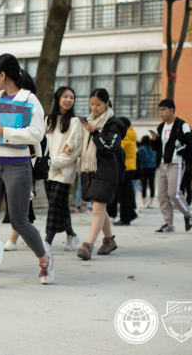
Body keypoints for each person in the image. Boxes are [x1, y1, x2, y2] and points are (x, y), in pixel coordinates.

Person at [0, 53, 54, 288]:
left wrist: (5, 132)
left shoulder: (29, 99)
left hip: (18, 166)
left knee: (20, 221)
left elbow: (37, 133)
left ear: (3, 75)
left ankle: (45, 260)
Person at [76, 88, 126, 260]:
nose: (94, 107)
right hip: (91, 170)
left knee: (97, 210)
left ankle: (88, 246)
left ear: (107, 103)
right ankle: (109, 240)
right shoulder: (90, 120)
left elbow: (108, 148)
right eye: (92, 104)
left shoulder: (114, 125)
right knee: (100, 208)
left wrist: (95, 132)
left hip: (106, 171)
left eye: (98, 104)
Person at [43, 86, 84, 250]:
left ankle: (47, 241)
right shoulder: (49, 120)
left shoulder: (75, 122)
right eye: (65, 96)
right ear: (58, 98)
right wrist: (47, 163)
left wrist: (53, 162)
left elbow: (74, 152)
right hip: (48, 171)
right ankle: (72, 235)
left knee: (54, 205)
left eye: (71, 97)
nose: (68, 100)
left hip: (65, 172)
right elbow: (44, 146)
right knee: (61, 206)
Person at [149, 99, 192, 233]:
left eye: (163, 109)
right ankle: (169, 224)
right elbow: (156, 148)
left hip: (176, 163)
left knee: (173, 193)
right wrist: (154, 139)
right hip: (162, 164)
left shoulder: (182, 125)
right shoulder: (161, 127)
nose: (161, 112)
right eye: (159, 110)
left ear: (172, 110)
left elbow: (190, 144)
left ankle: (187, 214)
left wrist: (178, 151)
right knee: (162, 196)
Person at [113, 117, 137, 226]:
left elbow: (117, 148)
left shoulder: (125, 135)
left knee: (122, 193)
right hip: (129, 167)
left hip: (125, 168)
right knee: (125, 192)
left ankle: (125, 218)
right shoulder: (130, 134)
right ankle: (130, 213)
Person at [137, 135, 157, 209]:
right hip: (152, 167)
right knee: (152, 185)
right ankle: (151, 202)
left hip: (144, 168)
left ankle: (143, 201)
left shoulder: (140, 149)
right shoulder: (153, 148)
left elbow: (139, 158)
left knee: (144, 185)